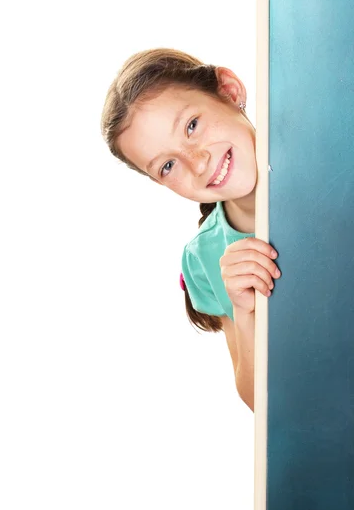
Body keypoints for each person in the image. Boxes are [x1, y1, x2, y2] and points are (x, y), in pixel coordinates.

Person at [100, 48, 281, 411]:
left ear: (229, 91)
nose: (198, 164)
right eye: (168, 165)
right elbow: (257, 400)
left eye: (191, 126)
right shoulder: (204, 258)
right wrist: (244, 313)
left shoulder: (335, 156)